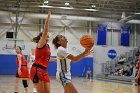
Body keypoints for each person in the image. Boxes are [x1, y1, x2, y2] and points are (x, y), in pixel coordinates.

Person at [30, 10, 54, 93]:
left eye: (47, 37)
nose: (47, 37)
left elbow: (47, 59)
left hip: (44, 71)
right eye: (45, 36)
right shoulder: (40, 43)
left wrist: (58, 59)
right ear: (41, 37)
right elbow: (46, 30)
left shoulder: (47, 46)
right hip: (37, 70)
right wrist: (48, 18)